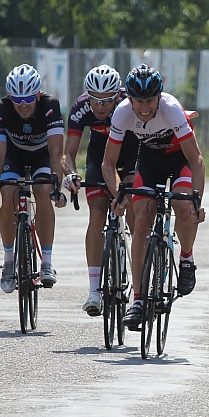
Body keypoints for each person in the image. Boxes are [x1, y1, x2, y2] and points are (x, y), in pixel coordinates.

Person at [102, 64, 205, 330]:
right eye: (139, 101)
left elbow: (196, 159)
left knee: (182, 207)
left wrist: (196, 201)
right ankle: (137, 300)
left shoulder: (171, 109)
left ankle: (186, 259)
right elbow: (108, 164)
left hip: (180, 160)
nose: (144, 107)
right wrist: (119, 195)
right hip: (149, 163)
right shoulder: (122, 113)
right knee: (141, 224)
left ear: (159, 97)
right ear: (130, 99)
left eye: (149, 101)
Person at [0, 64, 67, 292]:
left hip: (42, 156)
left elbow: (56, 152)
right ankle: (9, 260)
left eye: (28, 98)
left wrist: (57, 185)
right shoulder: (1, 108)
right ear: (10, 97)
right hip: (13, 156)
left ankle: (46, 262)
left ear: (38, 94)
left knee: (43, 191)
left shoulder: (50, 106)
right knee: (8, 194)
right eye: (18, 100)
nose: (24, 105)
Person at [62, 65, 140, 316]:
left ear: (117, 96)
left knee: (133, 208)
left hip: (130, 150)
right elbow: (68, 155)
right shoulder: (81, 107)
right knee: (96, 212)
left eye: (106, 101)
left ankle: (139, 267)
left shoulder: (129, 104)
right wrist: (72, 174)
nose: (100, 106)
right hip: (99, 151)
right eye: (95, 99)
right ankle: (94, 290)